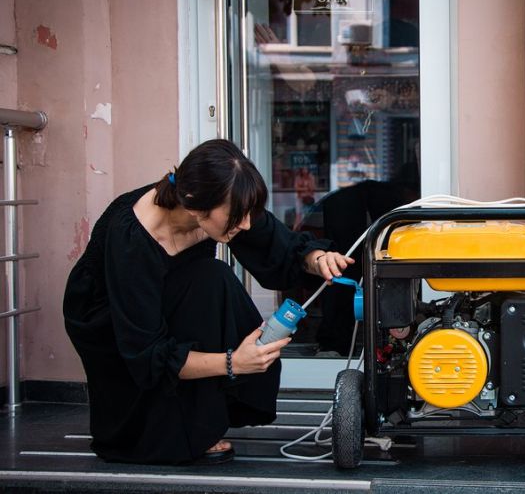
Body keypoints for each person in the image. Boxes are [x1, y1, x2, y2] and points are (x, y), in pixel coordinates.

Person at [63, 139, 353, 465]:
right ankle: (163, 432)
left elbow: (279, 245)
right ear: (194, 206)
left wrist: (317, 259)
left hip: (168, 295)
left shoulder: (219, 204)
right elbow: (146, 353)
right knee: (207, 284)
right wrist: (234, 363)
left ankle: (202, 418)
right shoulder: (133, 238)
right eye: (238, 216)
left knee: (212, 279)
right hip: (109, 318)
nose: (246, 224)